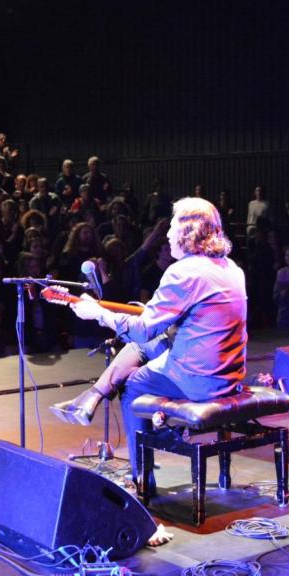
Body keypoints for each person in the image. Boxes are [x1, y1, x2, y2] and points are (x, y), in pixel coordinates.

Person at [53, 197, 247, 490]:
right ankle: (92, 397)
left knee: (133, 384)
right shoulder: (231, 268)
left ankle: (142, 477)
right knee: (142, 348)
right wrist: (148, 314)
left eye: (172, 226)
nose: (167, 234)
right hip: (228, 375)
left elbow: (144, 329)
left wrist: (98, 314)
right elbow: (198, 323)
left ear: (189, 231)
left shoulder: (184, 271)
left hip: (200, 380)